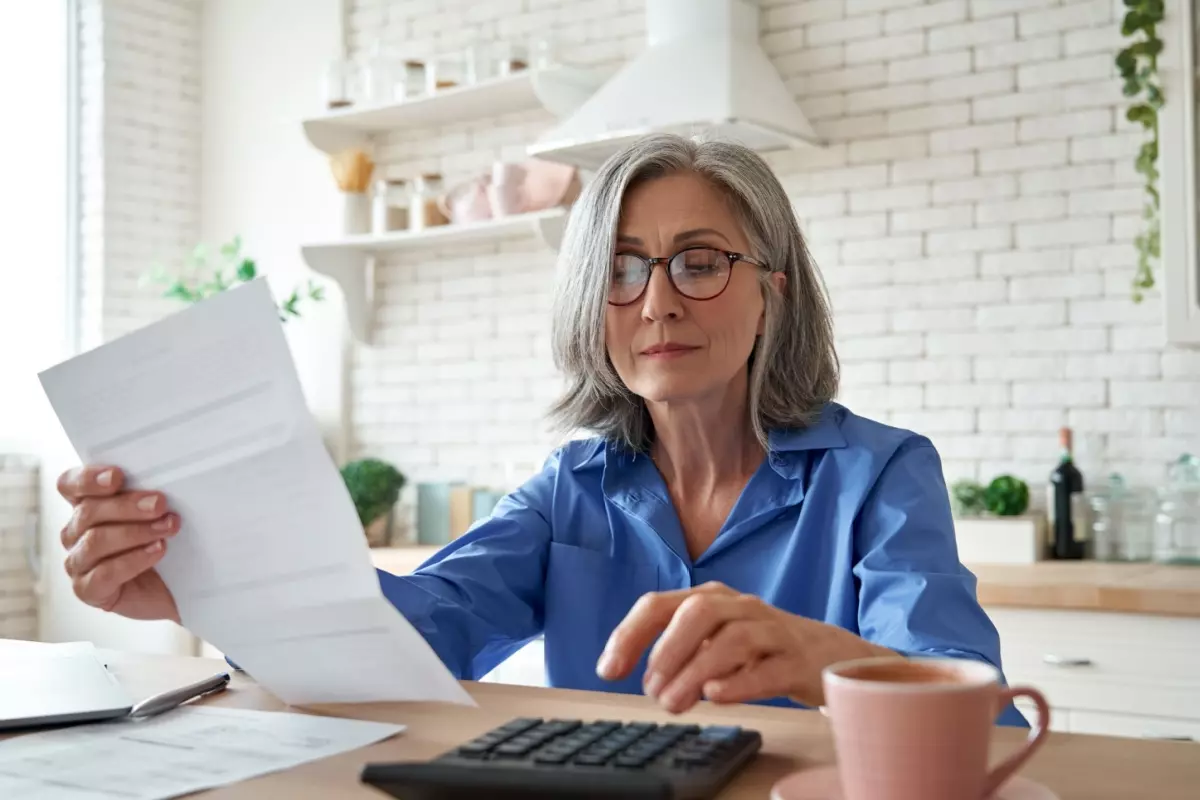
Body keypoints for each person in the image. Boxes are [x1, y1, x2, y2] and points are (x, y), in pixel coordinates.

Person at [56, 133, 1025, 726]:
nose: (656, 302)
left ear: (771, 293)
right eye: (622, 267)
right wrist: (201, 583)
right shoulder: (572, 487)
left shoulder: (881, 474)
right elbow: (414, 635)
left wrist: (819, 657)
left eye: (698, 262)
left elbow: (977, 706)